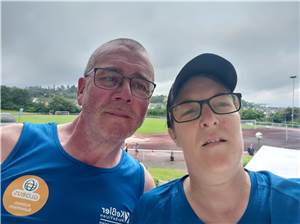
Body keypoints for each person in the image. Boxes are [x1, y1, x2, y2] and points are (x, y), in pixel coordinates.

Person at [131, 53, 300, 223]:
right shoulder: (150, 214)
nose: (209, 119)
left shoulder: (294, 202)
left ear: (238, 116)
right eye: (190, 110)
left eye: (222, 104)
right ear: (173, 134)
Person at [1, 38, 156, 223]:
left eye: (140, 86)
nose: (125, 95)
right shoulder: (9, 145)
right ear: (81, 90)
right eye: (110, 78)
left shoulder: (142, 187)